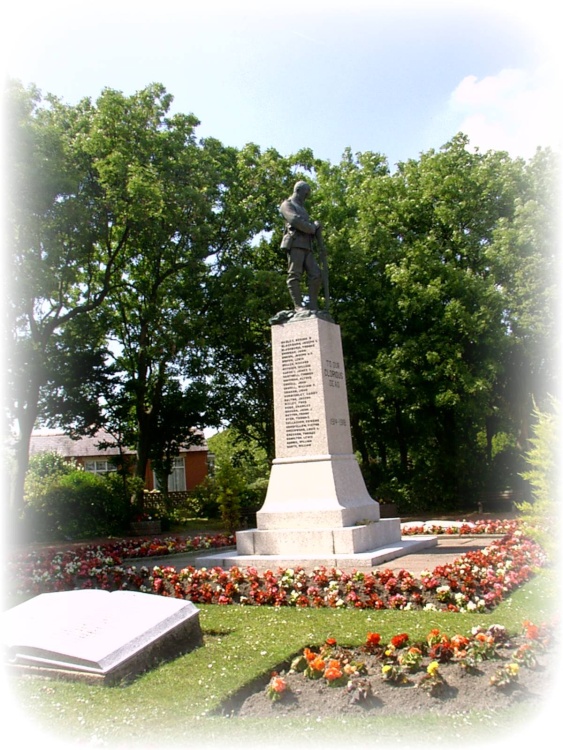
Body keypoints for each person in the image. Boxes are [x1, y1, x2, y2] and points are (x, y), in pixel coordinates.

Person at [280, 181, 323, 312]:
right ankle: (298, 306)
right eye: (305, 194)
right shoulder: (287, 205)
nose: (306, 197)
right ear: (298, 190)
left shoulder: (303, 209)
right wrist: (312, 227)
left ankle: (313, 305)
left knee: (316, 274)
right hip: (295, 244)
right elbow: (295, 220)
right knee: (294, 275)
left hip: (307, 246)